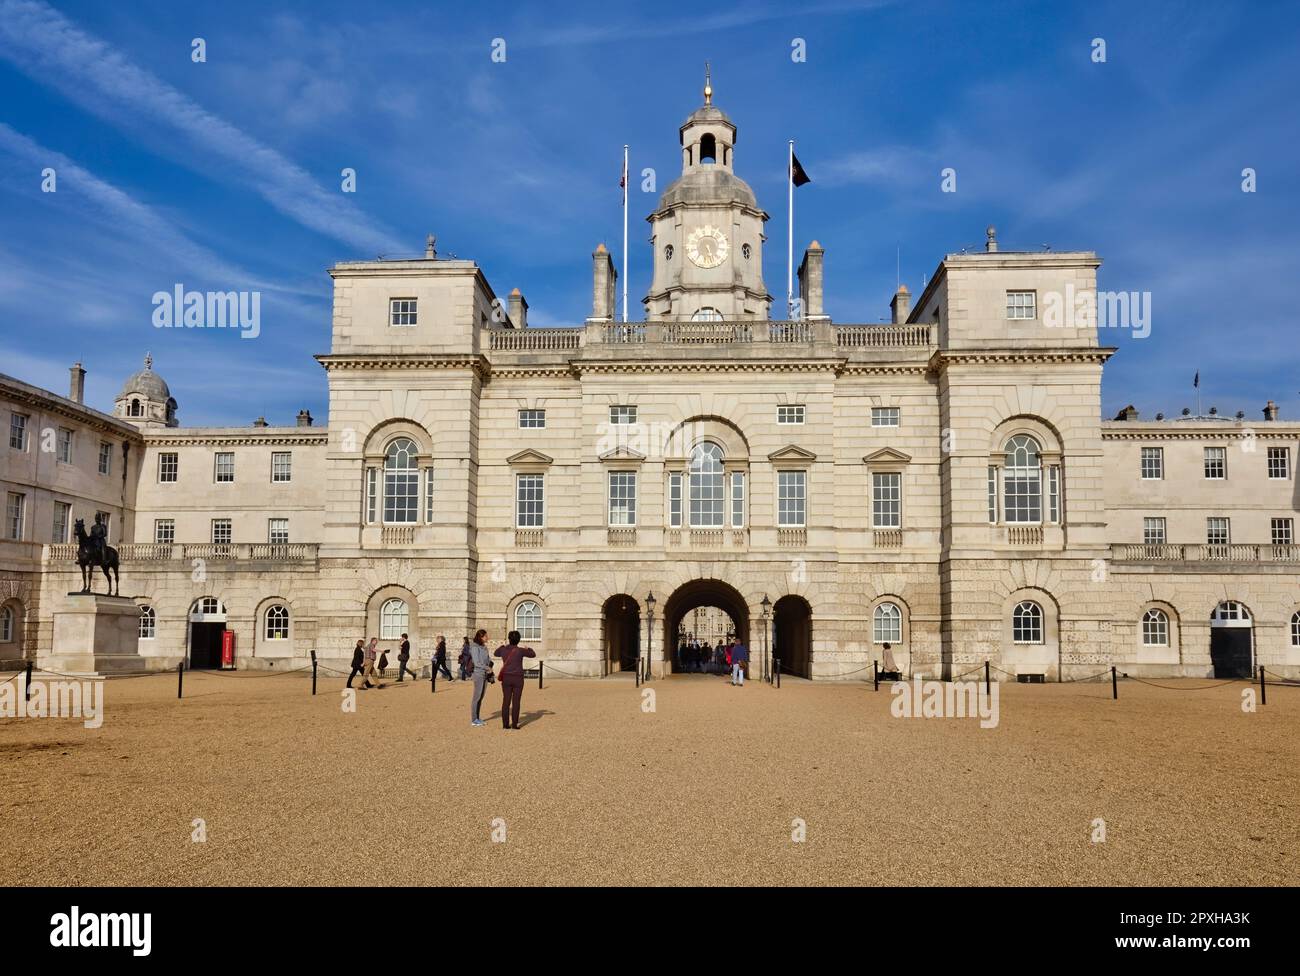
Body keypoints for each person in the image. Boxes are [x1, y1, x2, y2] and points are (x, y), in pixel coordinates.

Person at [494, 630, 536, 730]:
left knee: (506, 701)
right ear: (518, 640)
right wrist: (528, 648)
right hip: (518, 678)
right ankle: (514, 724)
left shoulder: (504, 650)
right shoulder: (520, 650)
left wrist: (501, 646)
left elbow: (495, 653)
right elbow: (533, 654)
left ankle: (505, 724)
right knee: (516, 701)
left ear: (509, 639)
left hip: (507, 678)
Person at [468, 629, 493, 727]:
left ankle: (477, 717)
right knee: (476, 697)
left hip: (485, 673)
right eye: (486, 636)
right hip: (478, 674)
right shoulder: (474, 647)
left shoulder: (484, 647)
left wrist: (490, 666)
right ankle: (474, 719)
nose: (488, 637)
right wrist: (487, 667)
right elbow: (477, 662)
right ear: (481, 637)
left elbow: (488, 658)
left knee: (481, 697)